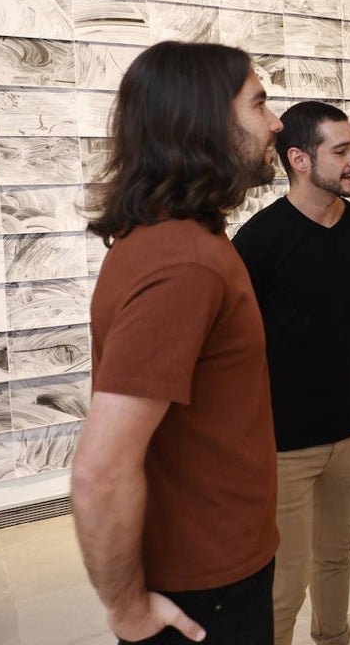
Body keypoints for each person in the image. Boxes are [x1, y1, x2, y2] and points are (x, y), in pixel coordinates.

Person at [71, 41, 284, 644]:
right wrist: (130, 612)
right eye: (259, 104)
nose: (275, 122)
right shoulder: (183, 262)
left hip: (215, 567)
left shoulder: (171, 239)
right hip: (203, 594)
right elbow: (100, 472)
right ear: (204, 122)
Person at [232, 101, 350, 645]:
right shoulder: (258, 241)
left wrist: (342, 383)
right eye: (341, 151)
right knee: (284, 582)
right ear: (299, 158)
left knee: (337, 555)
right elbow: (234, 343)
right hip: (281, 443)